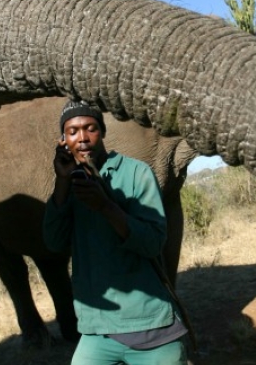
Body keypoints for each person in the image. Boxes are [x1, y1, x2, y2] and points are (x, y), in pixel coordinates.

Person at [43, 100, 188, 365]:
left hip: (150, 325)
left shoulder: (136, 173)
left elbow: (153, 243)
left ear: (103, 132)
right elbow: (53, 242)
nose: (83, 138)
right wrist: (62, 181)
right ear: (63, 139)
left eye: (90, 128)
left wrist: (106, 206)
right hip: (97, 329)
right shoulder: (70, 185)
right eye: (73, 131)